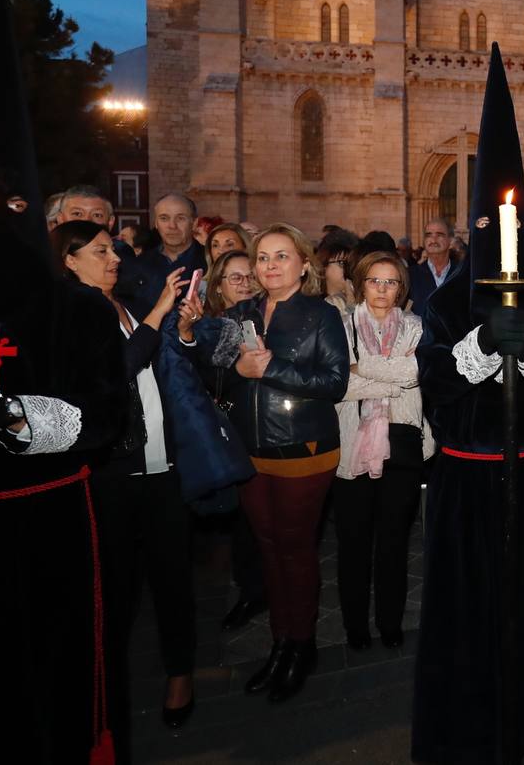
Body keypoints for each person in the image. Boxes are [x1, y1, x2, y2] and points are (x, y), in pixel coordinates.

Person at [412, 46, 524, 763]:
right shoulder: (449, 300)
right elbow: (439, 392)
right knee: (474, 616)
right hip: (470, 485)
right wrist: (485, 347)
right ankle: (475, 729)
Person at [0, 0, 127, 763]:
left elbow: (109, 417)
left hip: (52, 528)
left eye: (1, 210)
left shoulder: (76, 313)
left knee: (55, 684)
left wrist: (17, 422)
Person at [178, 222, 349, 703]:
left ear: (303, 263)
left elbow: (334, 383)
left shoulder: (321, 314)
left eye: (281, 256)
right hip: (251, 448)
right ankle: (280, 641)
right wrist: (208, 349)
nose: (270, 265)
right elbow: (214, 378)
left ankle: (302, 644)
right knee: (269, 547)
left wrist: (272, 367)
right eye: (263, 258)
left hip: (304, 449)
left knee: (294, 547)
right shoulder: (242, 313)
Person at [52, 220, 200, 744]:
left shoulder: (120, 305)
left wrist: (175, 327)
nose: (114, 258)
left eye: (113, 249)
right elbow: (119, 368)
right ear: (69, 260)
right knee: (113, 585)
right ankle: (105, 689)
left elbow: (157, 366)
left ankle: (180, 673)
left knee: (172, 576)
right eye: (99, 252)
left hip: (159, 463)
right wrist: (160, 312)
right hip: (113, 471)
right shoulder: (72, 311)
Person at [333, 252, 432, 650]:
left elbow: (416, 372)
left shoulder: (416, 327)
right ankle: (355, 627)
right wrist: (391, 378)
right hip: (350, 444)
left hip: (404, 445)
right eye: (375, 281)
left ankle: (390, 623)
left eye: (391, 282)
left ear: (401, 288)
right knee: (353, 544)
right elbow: (339, 383)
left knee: (393, 542)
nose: (382, 289)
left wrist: (363, 370)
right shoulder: (339, 327)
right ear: (361, 283)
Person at [202, 250, 268, 631]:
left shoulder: (265, 317)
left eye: (249, 276)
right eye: (234, 278)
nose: (244, 283)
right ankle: (250, 590)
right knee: (243, 517)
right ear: (219, 286)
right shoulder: (209, 326)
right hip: (231, 430)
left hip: (265, 428)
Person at [118, 193, 207, 320]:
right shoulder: (137, 266)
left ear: (194, 223)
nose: (172, 226)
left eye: (180, 218)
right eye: (164, 218)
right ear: (156, 223)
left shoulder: (211, 262)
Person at [408, 219, 460, 314]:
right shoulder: (410, 275)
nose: (433, 240)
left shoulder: (462, 274)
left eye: (439, 235)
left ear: (451, 241)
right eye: (428, 235)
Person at [318, 227, 361, 315]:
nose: (348, 270)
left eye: (351, 264)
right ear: (324, 265)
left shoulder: (360, 300)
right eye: (341, 263)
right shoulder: (314, 302)